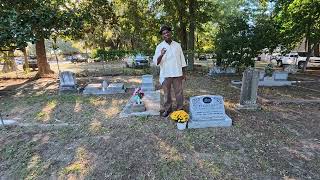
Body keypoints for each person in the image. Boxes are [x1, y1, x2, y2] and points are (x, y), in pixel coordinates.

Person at [153, 25, 187, 117]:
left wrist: (184, 73)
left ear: (170, 33)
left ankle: (180, 109)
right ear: (162, 35)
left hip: (177, 73)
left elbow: (182, 59)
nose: (166, 34)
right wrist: (161, 55)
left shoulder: (177, 45)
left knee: (179, 92)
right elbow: (156, 62)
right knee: (167, 93)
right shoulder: (160, 46)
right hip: (166, 74)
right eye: (164, 33)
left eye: (167, 32)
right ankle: (167, 109)